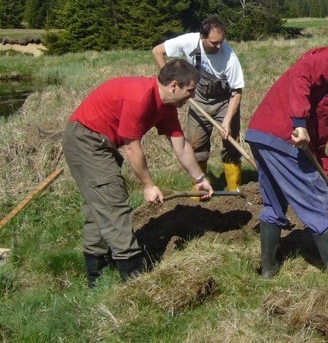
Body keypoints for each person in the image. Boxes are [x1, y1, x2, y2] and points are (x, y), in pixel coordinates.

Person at [62, 59, 214, 287]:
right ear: (174, 85)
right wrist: (148, 185)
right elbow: (132, 147)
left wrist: (199, 179)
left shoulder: (167, 107)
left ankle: (97, 278)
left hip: (100, 142)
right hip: (86, 139)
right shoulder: (140, 97)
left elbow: (180, 145)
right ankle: (135, 279)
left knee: (99, 205)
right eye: (190, 90)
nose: (191, 97)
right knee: (112, 202)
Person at [246, 32, 328, 284]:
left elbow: (318, 136)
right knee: (318, 204)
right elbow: (301, 73)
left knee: (274, 203)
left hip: (263, 134)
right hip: (284, 137)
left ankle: (268, 271)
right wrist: (299, 122)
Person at [152, 16, 245, 191]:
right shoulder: (189, 41)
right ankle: (200, 190)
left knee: (231, 145)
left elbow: (237, 91)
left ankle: (235, 191)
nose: (219, 46)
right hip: (199, 99)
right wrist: (170, 79)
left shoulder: (229, 56)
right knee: (196, 145)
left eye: (221, 42)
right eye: (214, 42)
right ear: (202, 37)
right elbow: (158, 51)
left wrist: (226, 120)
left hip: (225, 101)